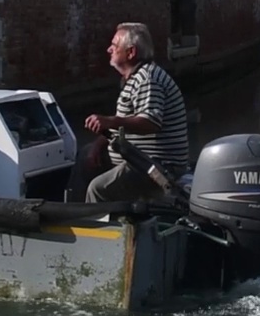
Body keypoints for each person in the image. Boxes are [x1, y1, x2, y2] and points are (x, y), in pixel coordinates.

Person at [81, 23, 189, 203]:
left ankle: (92, 228)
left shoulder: (147, 79)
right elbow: (122, 126)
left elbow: (150, 123)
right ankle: (70, 214)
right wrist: (99, 143)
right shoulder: (133, 79)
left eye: (114, 46)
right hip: (136, 157)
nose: (109, 49)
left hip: (156, 165)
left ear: (130, 53)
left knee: (98, 189)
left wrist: (110, 121)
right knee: (85, 156)